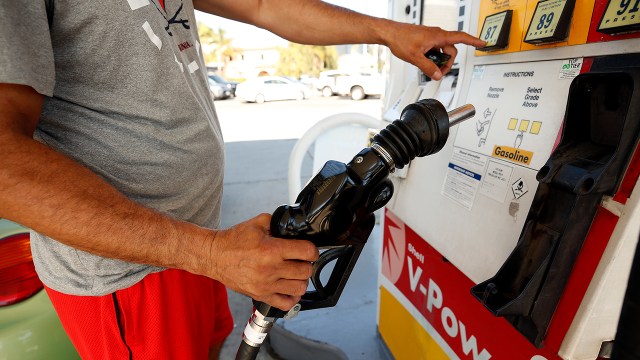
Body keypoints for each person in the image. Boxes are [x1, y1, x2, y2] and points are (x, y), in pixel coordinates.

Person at [0, 0, 485, 359]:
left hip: (199, 245)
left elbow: (261, 4)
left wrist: (386, 31)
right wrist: (207, 253)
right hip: (129, 275)